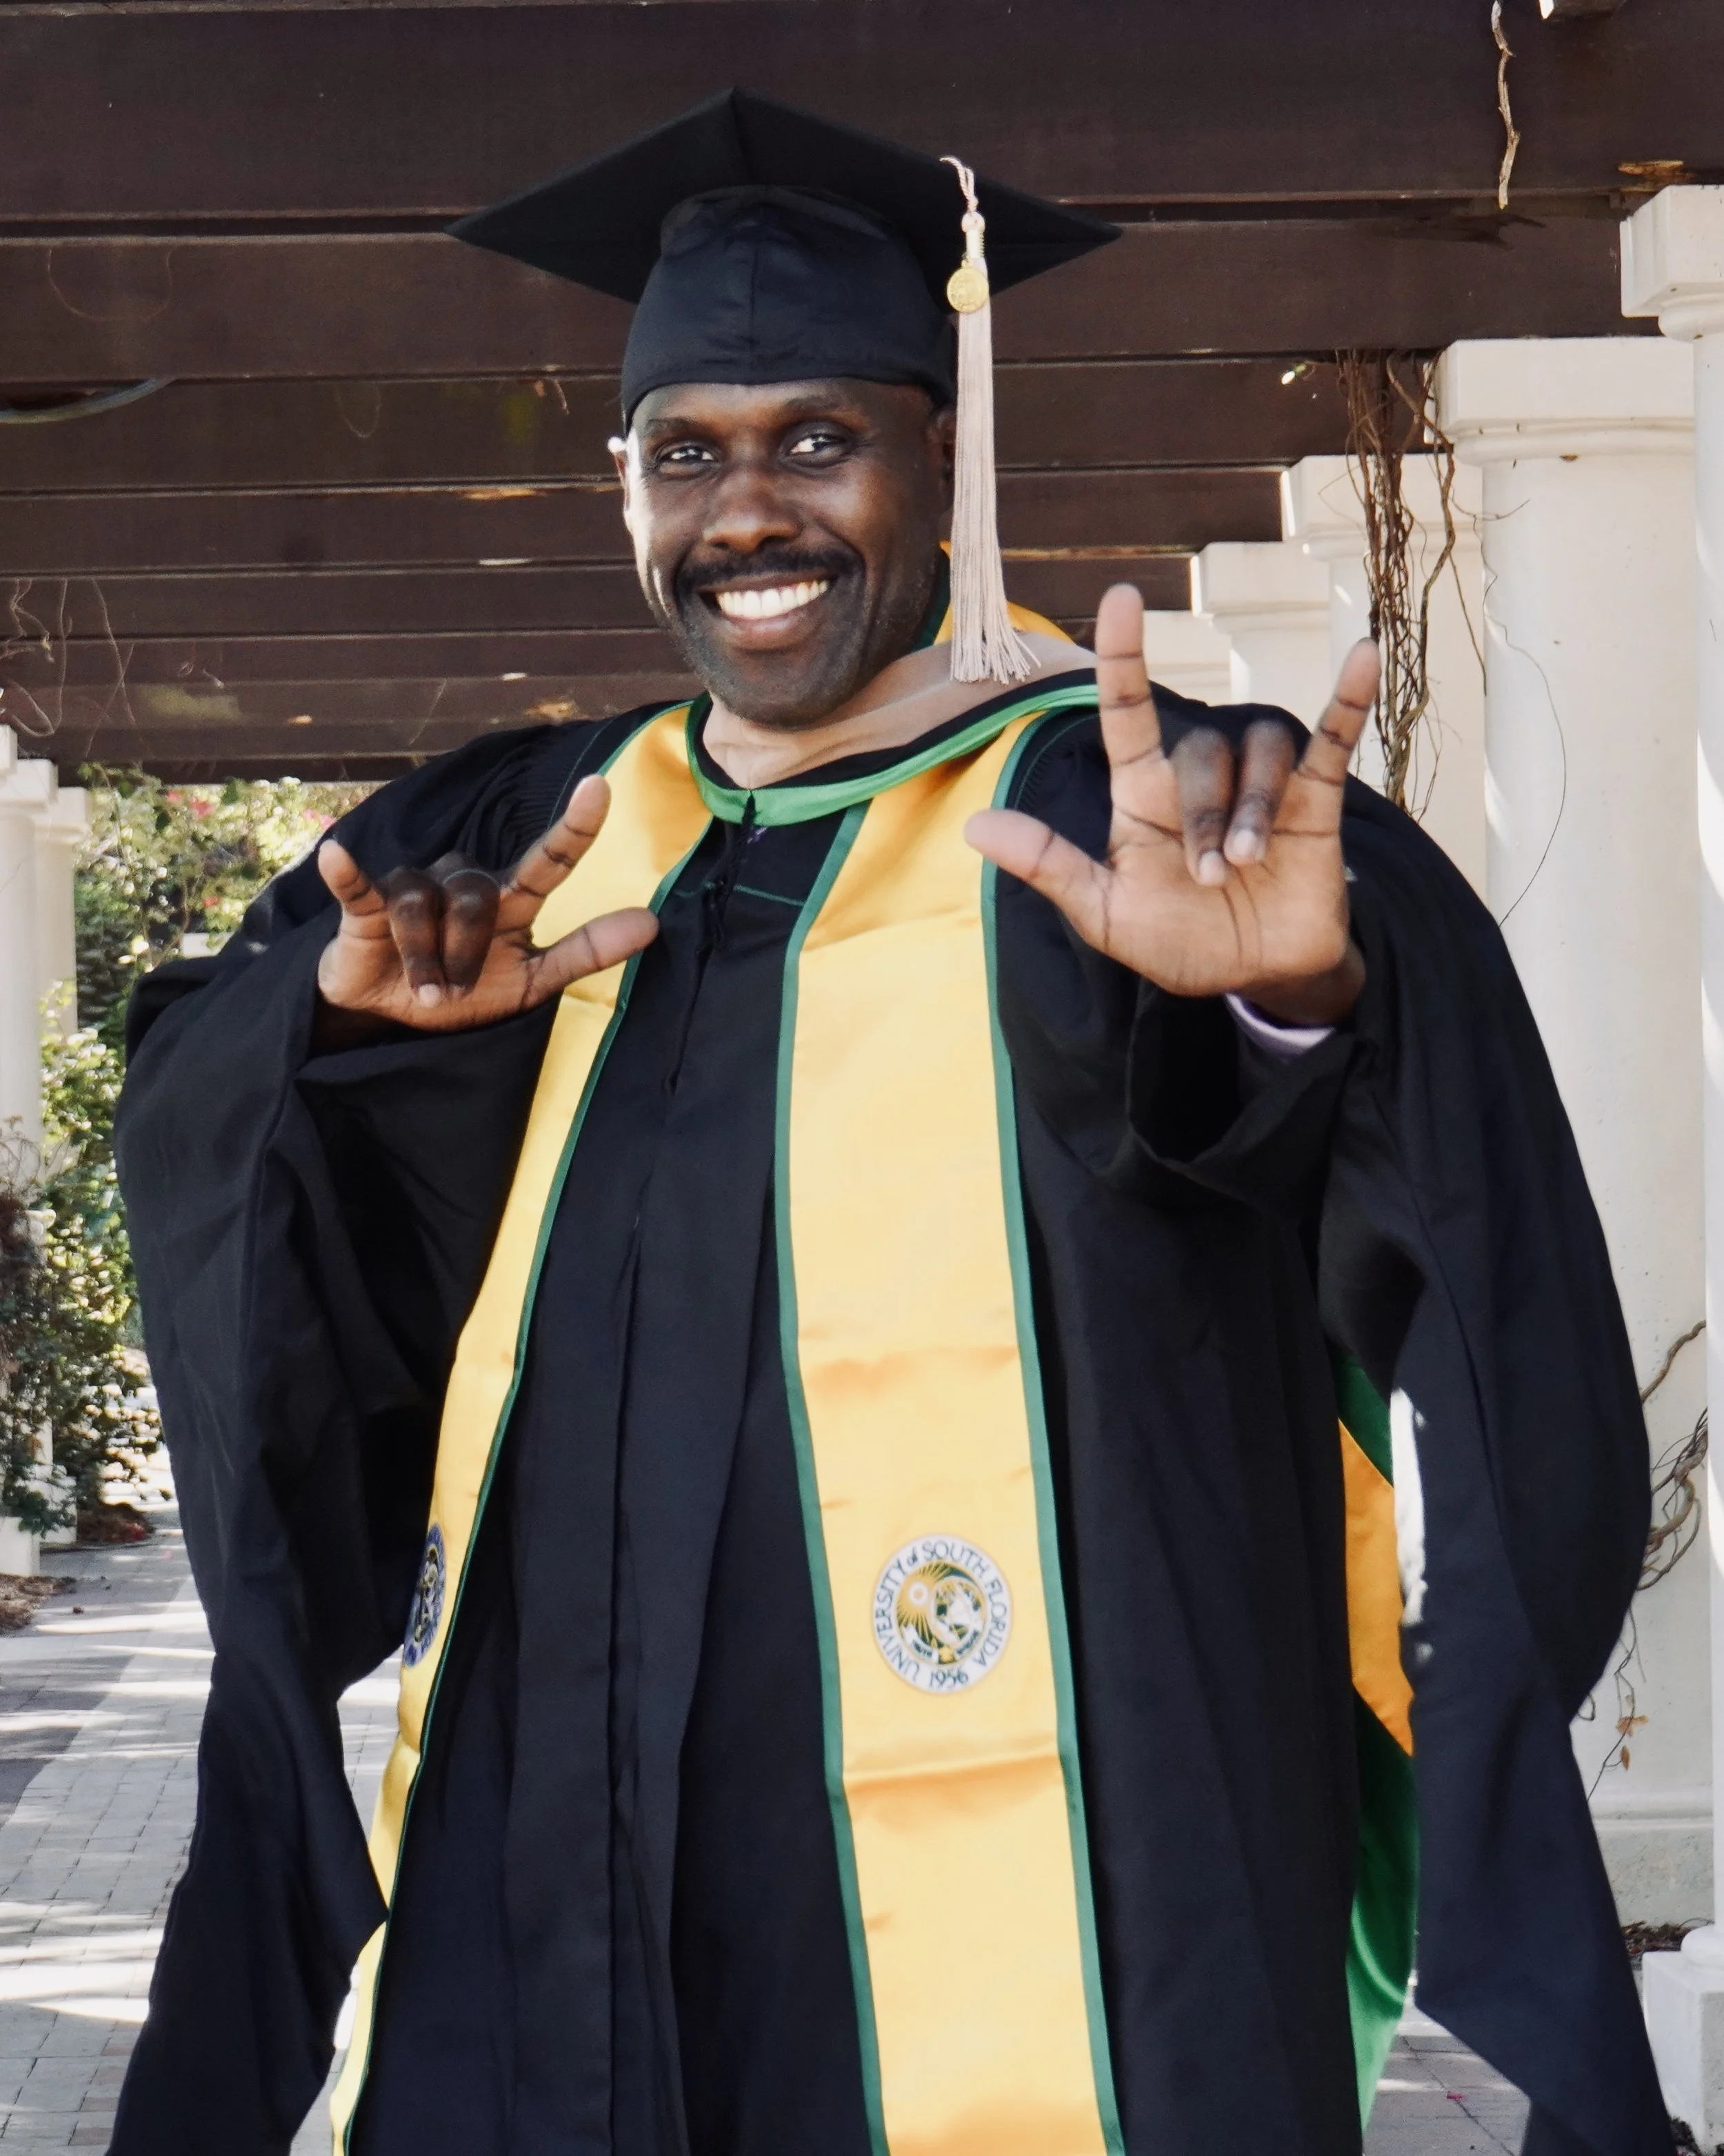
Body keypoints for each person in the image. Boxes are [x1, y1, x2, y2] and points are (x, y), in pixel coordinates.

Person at [110, 88, 1667, 2156]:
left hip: (1075, 1820)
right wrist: (368, 1047)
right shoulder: (521, 830)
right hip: (554, 1799)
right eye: (686, 454)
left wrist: (1288, 1006)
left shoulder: (1135, 813)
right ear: (624, 490)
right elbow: (255, 1152)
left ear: (946, 459)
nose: (746, 515)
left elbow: (1381, 1211)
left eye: (819, 440)